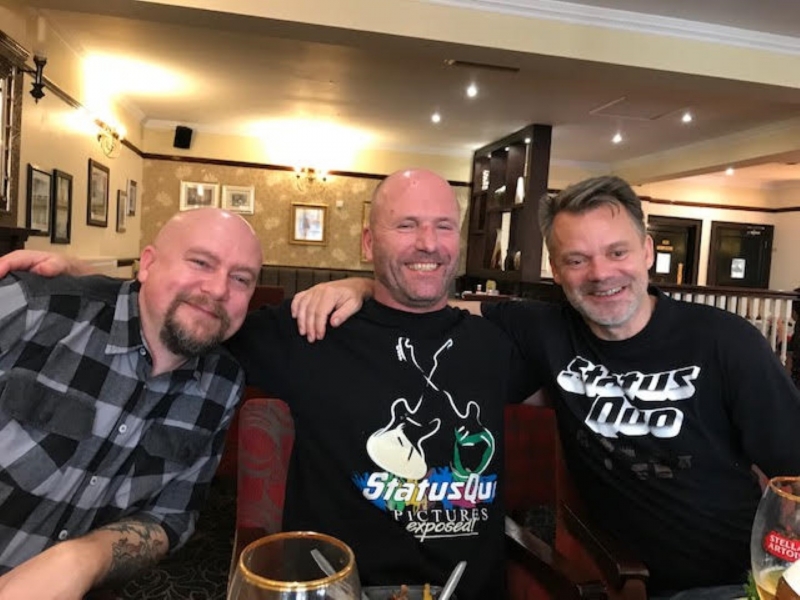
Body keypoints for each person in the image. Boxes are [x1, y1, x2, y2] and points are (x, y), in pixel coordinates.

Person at [0, 169, 521, 600]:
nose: (427, 242)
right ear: (368, 242)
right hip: (334, 585)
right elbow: (183, 313)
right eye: (406, 225)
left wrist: (360, 284)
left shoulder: (501, 343)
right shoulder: (308, 331)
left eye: (443, 226)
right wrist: (91, 283)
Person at [291, 175, 800, 600]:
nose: (601, 274)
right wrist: (362, 285)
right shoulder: (545, 331)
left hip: (741, 579)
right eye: (577, 259)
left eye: (617, 251)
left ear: (647, 251)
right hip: (620, 574)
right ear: (556, 271)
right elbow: (429, 305)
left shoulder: (725, 341)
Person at [0, 208, 263, 599]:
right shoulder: (32, 308)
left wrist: (84, 559)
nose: (219, 289)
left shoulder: (222, 384)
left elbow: (172, 517)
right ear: (148, 264)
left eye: (241, 279)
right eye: (200, 262)